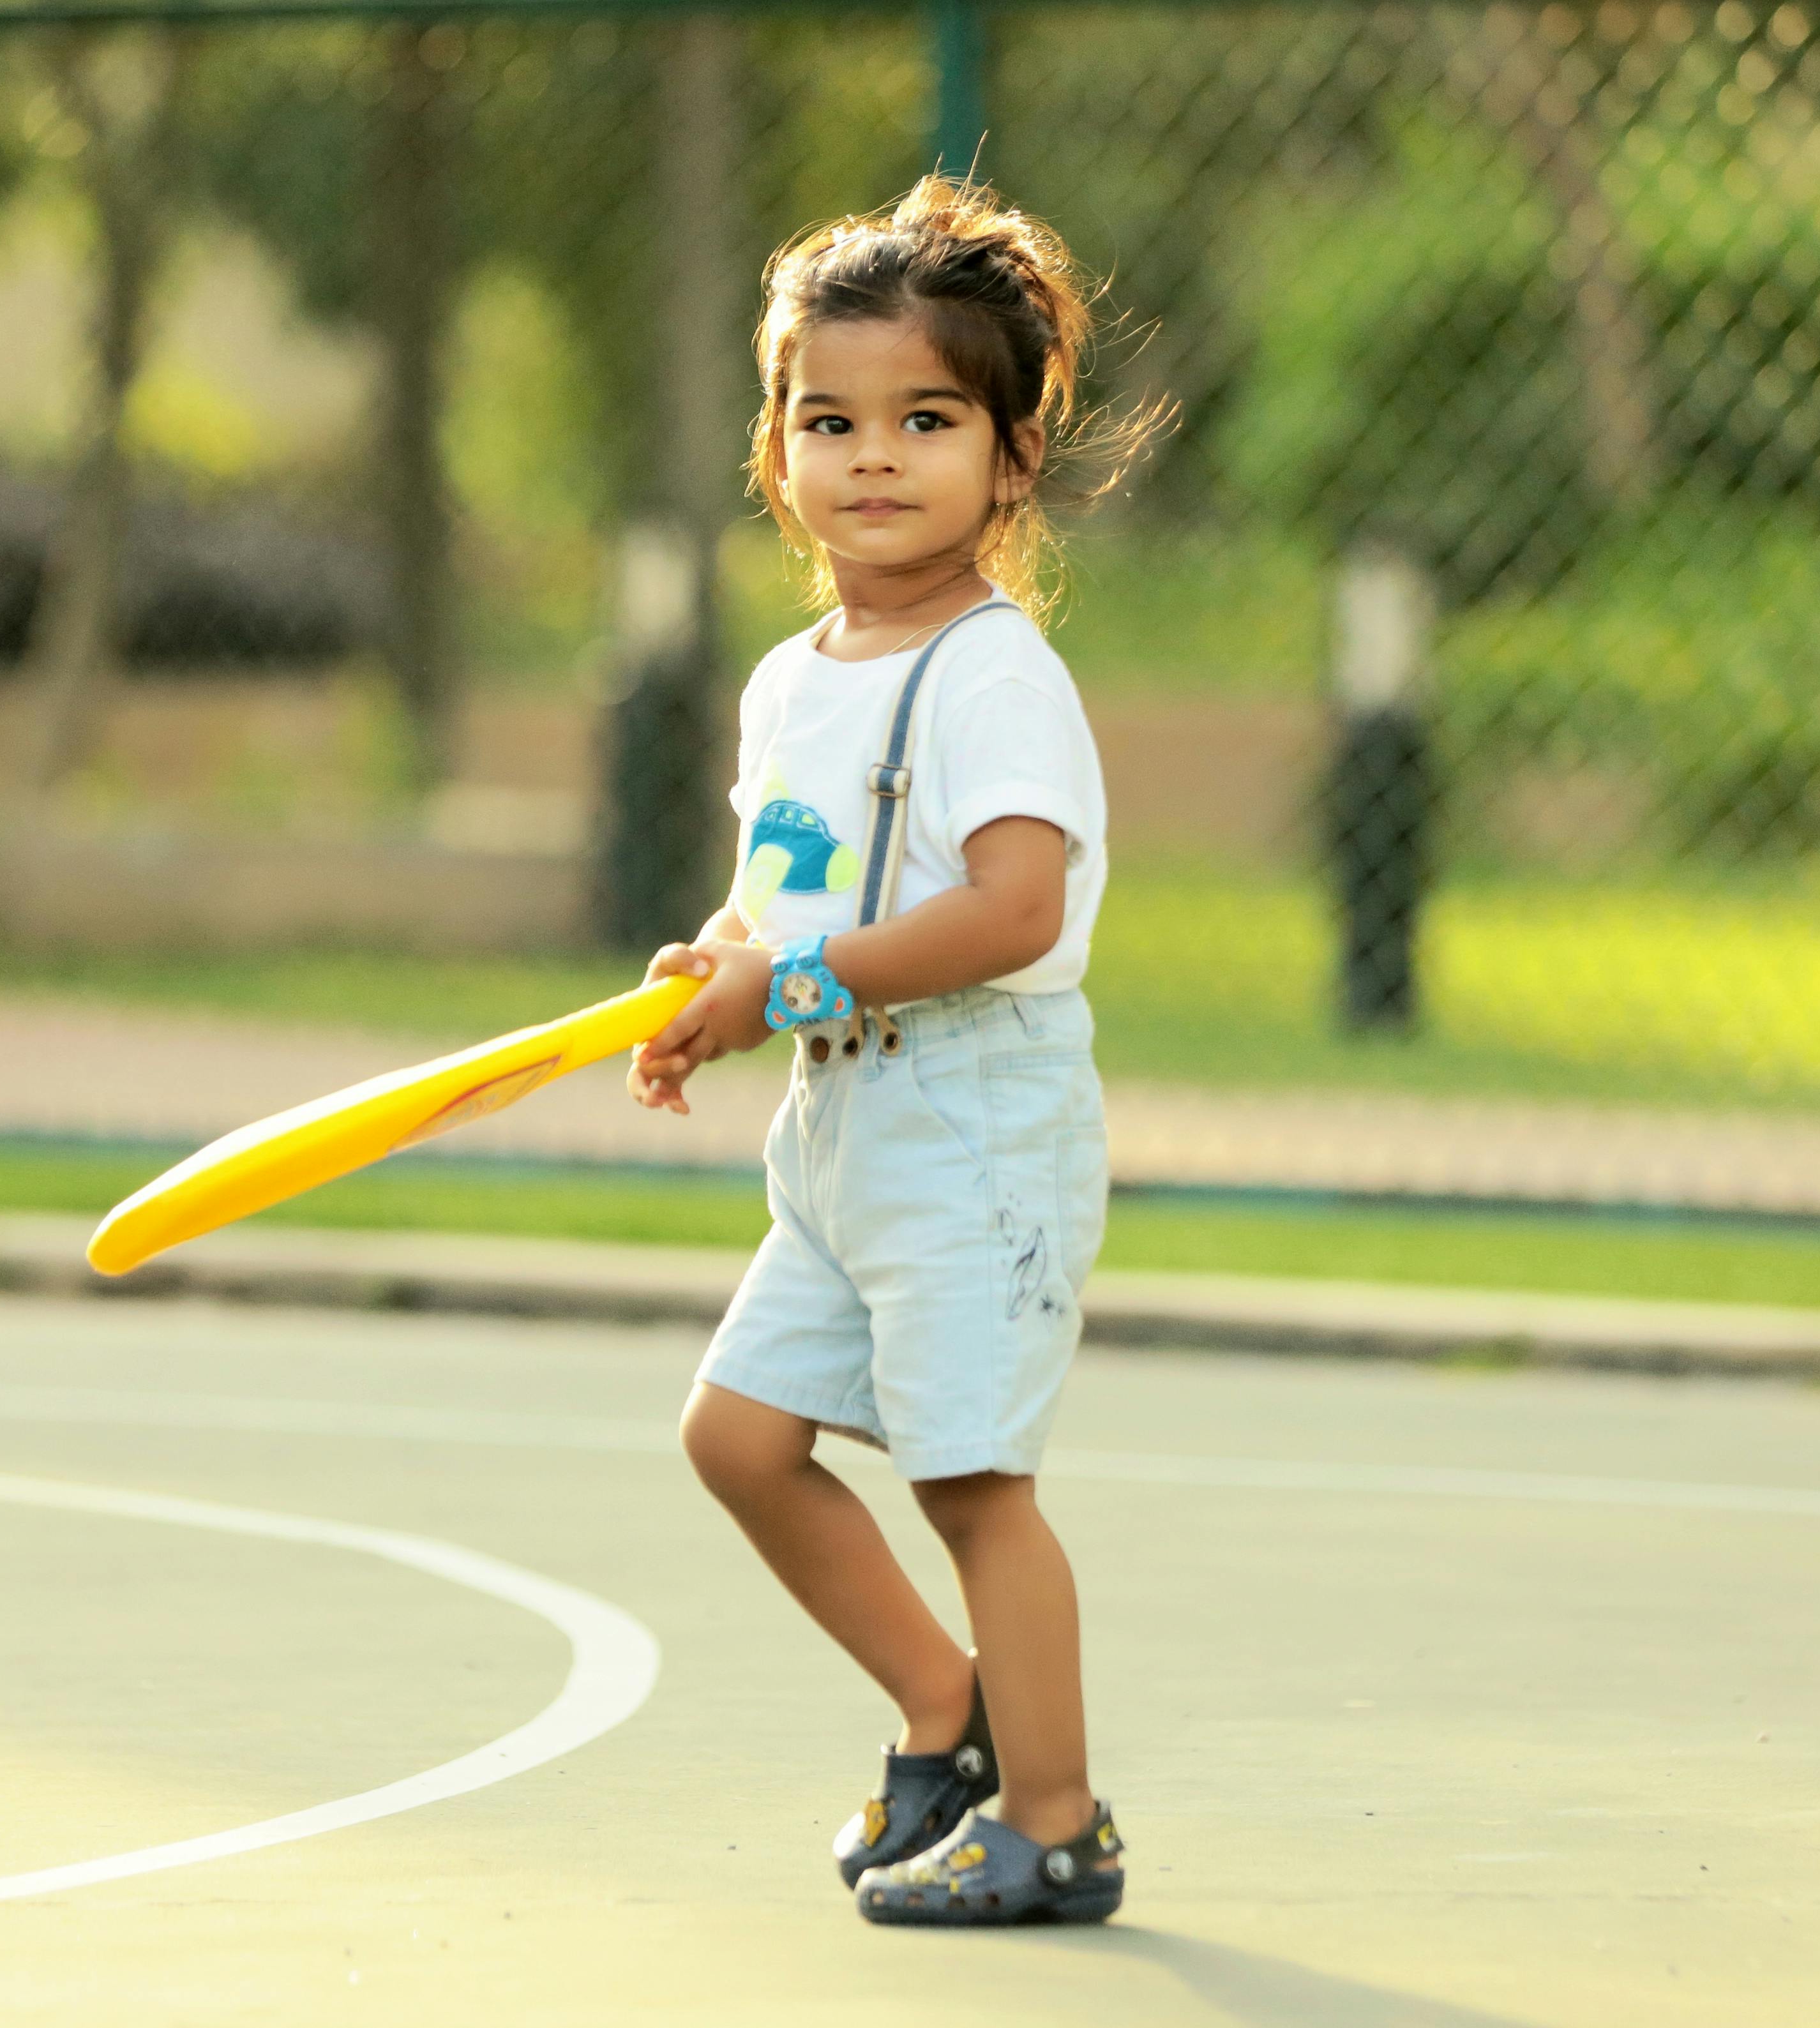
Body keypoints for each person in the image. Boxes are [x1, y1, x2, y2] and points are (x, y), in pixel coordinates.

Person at [626, 174, 1155, 1927]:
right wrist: (708, 971)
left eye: (924, 420)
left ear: (1009, 459)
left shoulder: (995, 675)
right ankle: (949, 1708)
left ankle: (1055, 1819)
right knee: (737, 1437)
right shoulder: (791, 680)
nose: (872, 456)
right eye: (826, 419)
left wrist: (780, 990)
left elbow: (1008, 911)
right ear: (773, 451)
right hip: (839, 1131)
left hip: (972, 1118)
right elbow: (776, 899)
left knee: (968, 1474)